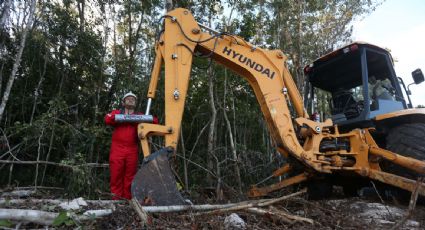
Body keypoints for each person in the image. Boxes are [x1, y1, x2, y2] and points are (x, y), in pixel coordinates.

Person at [104, 92, 157, 200]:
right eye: (128, 98)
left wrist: (143, 119)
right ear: (123, 102)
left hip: (132, 149)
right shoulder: (117, 113)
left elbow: (155, 121)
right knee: (116, 175)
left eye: (133, 99)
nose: (131, 100)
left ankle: (128, 200)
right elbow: (107, 119)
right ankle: (116, 200)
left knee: (130, 177)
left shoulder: (140, 116)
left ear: (135, 103)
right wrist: (123, 117)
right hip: (117, 149)